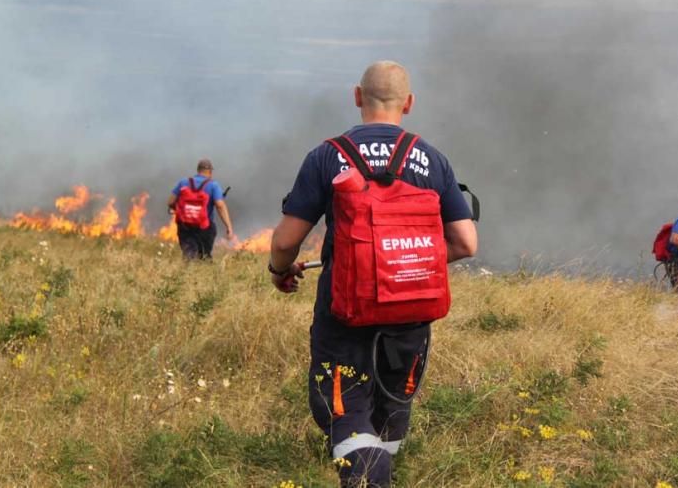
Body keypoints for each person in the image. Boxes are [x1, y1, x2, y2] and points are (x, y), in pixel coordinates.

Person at [268, 61, 477, 487]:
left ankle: (369, 478)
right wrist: (401, 266)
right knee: (392, 404)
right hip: (410, 317)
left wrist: (279, 270)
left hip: (345, 316)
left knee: (344, 411)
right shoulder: (432, 159)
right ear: (409, 103)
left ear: (357, 96)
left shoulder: (328, 156)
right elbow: (465, 243)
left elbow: (287, 241)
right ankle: (383, 469)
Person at [167, 159, 235, 259]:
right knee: (204, 255)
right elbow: (220, 206)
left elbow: (170, 202)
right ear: (210, 172)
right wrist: (229, 227)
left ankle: (188, 264)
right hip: (204, 227)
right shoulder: (213, 185)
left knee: (188, 254)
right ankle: (203, 264)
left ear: (198, 170)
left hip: (184, 225)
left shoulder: (183, 182)